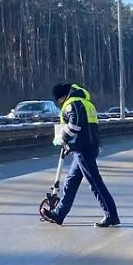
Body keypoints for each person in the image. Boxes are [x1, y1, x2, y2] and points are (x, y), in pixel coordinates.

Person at [40, 82, 121, 227]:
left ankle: (111, 215)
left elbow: (75, 124)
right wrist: (69, 144)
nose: (58, 103)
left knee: (95, 182)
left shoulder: (73, 103)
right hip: (85, 146)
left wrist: (64, 137)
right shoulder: (84, 102)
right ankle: (59, 214)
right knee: (71, 181)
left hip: (84, 148)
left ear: (62, 97)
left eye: (57, 100)